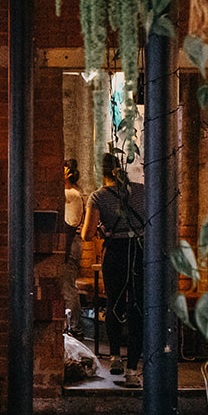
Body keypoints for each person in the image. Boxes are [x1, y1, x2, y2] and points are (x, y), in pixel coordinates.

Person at [81, 152, 145, 388]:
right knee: (137, 306)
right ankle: (132, 371)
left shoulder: (98, 197)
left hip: (115, 253)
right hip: (139, 251)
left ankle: (116, 357)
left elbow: (86, 234)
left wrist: (100, 229)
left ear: (102, 172)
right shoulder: (141, 191)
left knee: (114, 304)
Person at [62, 159, 84, 331]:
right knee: (68, 285)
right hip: (71, 243)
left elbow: (70, 224)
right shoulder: (74, 193)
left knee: (68, 286)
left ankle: (75, 327)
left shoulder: (71, 194)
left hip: (70, 244)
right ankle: (73, 325)